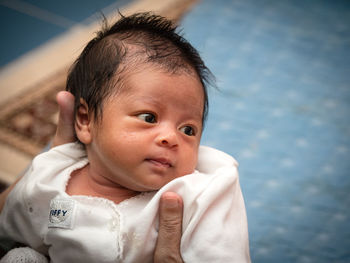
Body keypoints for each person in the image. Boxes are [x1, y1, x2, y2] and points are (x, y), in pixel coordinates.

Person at [0, 13, 250, 262]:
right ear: (86, 120)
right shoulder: (48, 180)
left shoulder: (197, 192)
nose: (171, 138)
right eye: (149, 118)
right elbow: (9, 227)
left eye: (188, 130)